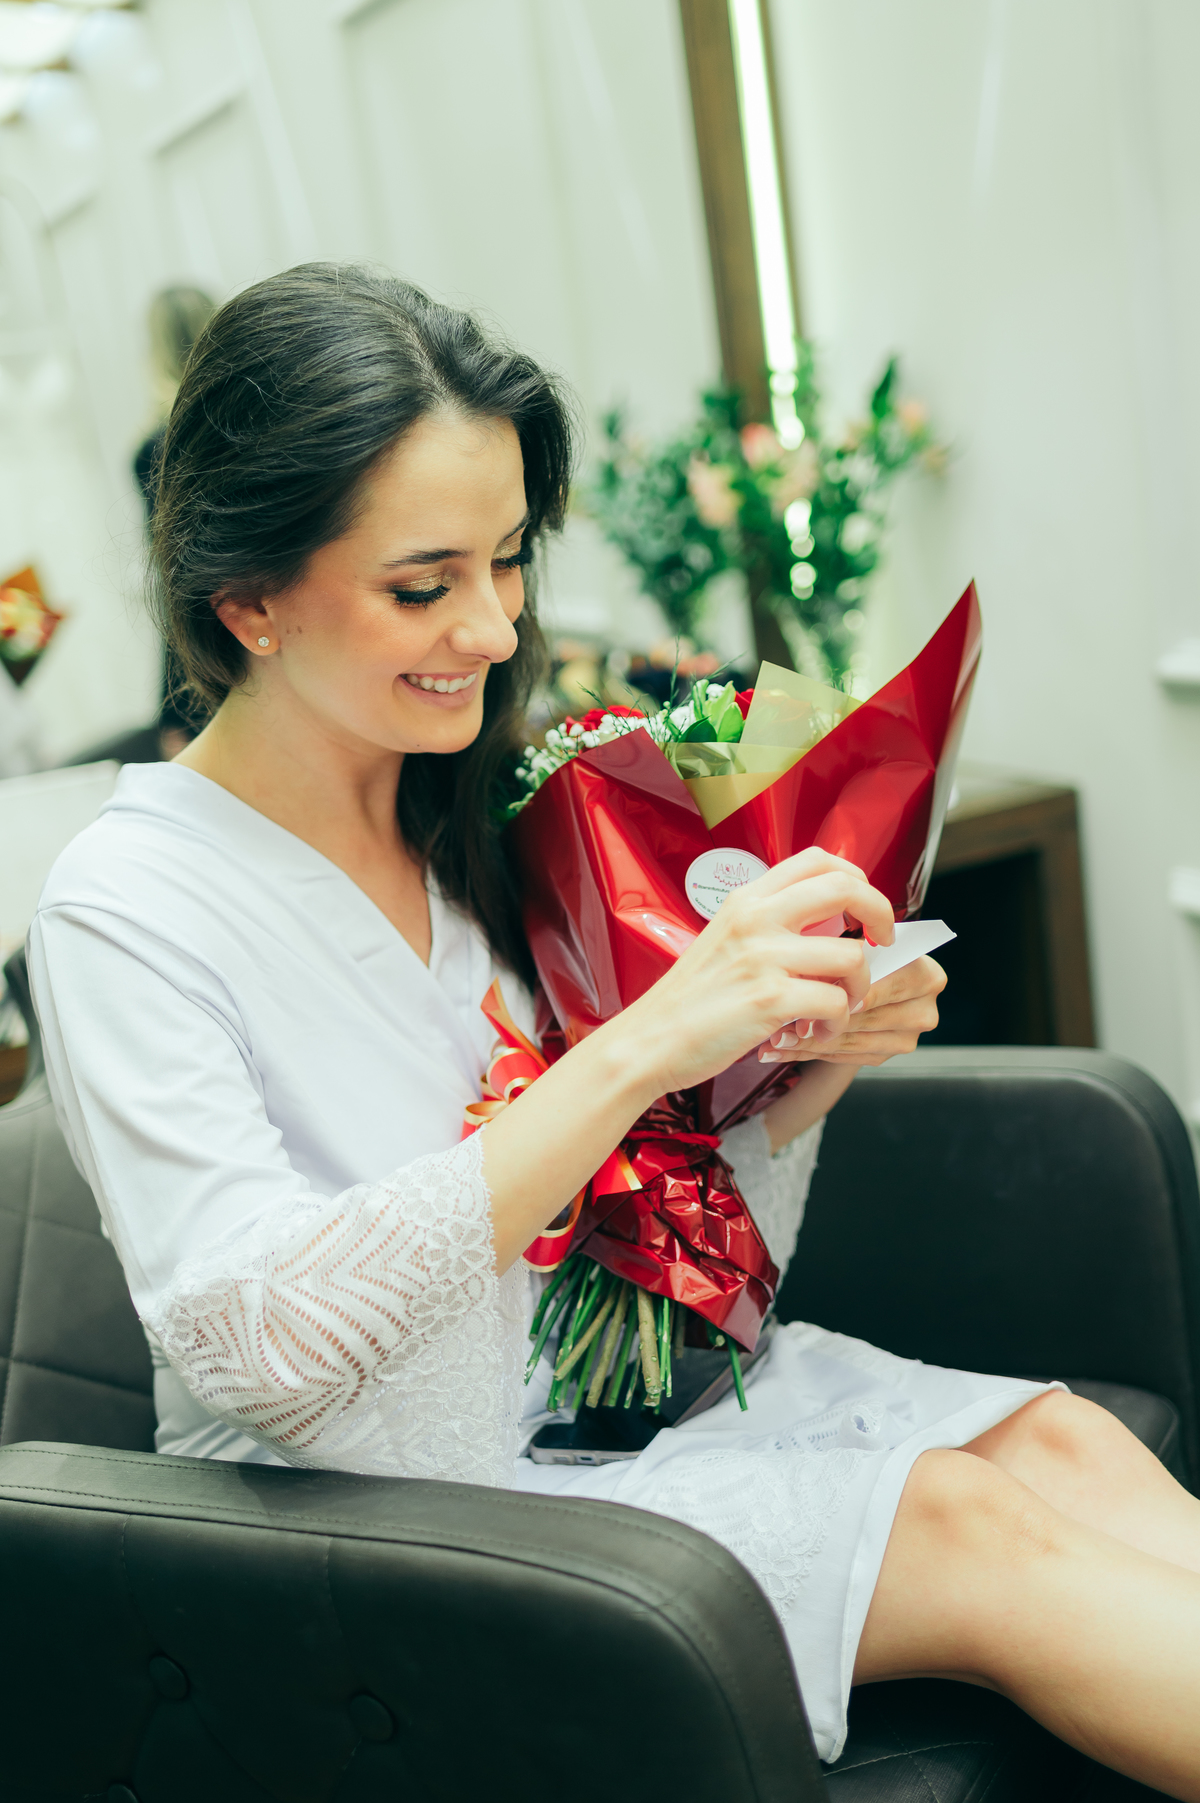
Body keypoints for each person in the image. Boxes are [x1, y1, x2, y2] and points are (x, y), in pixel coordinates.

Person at [26, 264, 1200, 1798]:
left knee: (1063, 1452)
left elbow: (643, 1267)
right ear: (246, 599)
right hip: (378, 1515)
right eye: (423, 583)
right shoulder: (128, 901)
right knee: (973, 1531)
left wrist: (805, 1061)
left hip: (607, 1418)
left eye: (510, 561)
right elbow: (257, 1346)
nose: (497, 625)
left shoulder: (472, 809)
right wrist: (638, 1048)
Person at [132, 284, 217, 756]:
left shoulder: (155, 450)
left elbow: (178, 585)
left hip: (197, 661)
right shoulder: (252, 433)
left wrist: (170, 704)